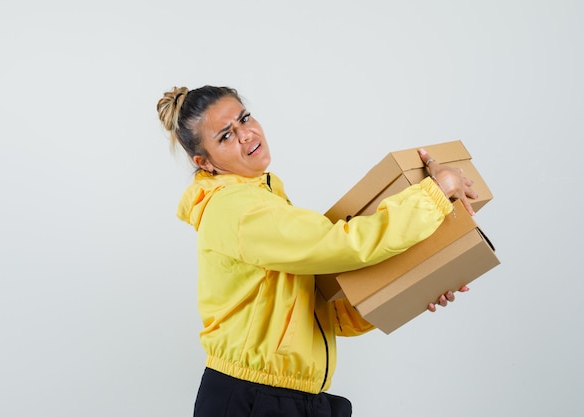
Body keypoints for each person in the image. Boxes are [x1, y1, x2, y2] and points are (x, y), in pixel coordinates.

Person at [156, 85, 477, 417]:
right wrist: (436, 193)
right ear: (203, 162)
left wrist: (413, 286)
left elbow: (317, 307)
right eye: (225, 135)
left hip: (286, 398)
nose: (246, 135)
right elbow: (343, 244)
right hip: (252, 399)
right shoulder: (236, 209)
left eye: (245, 118)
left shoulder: (264, 200)